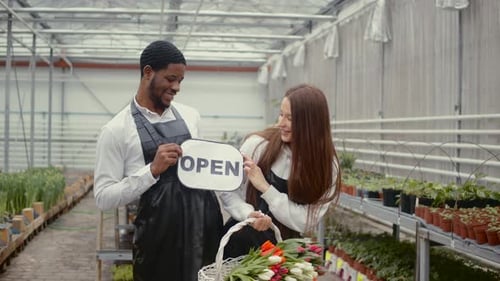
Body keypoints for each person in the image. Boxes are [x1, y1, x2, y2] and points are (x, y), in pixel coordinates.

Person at [93, 40, 223, 281]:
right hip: (159, 240)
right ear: (148, 73)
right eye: (171, 78)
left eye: (181, 81)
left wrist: (244, 211)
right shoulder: (116, 130)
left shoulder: (191, 116)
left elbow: (208, 176)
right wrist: (151, 171)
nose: (177, 87)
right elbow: (102, 197)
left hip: (202, 231)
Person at [219, 84, 341, 258]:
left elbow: (305, 221)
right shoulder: (258, 146)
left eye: (290, 118)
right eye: (281, 114)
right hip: (241, 245)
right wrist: (247, 212)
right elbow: (228, 190)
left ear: (310, 123)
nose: (280, 123)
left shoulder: (326, 166)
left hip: (285, 253)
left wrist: (266, 189)